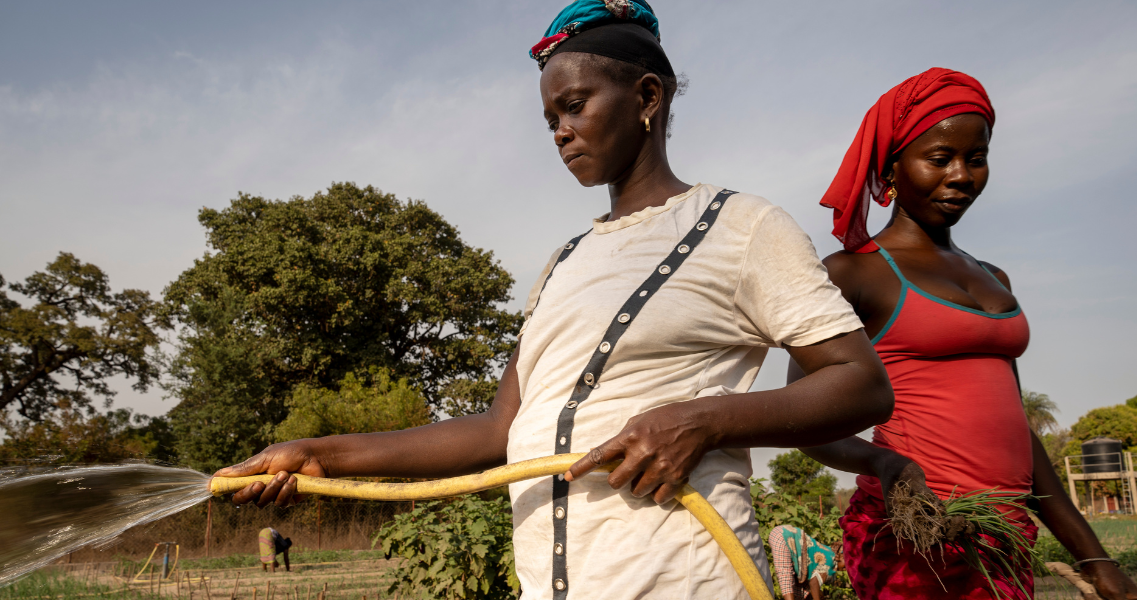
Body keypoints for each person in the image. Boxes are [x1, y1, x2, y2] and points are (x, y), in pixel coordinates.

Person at [215, 2, 896, 598]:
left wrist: (702, 420)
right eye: (549, 118)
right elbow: (494, 433)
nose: (560, 132)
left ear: (647, 96)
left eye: (575, 105)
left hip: (685, 579)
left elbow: (860, 385)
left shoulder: (744, 227)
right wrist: (317, 455)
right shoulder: (564, 262)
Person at [791, 67, 1137, 600]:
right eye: (939, 158)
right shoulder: (854, 273)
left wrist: (1096, 560)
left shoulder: (994, 277)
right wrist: (882, 462)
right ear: (891, 167)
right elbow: (804, 416)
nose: (961, 175)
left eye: (975, 158)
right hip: (918, 537)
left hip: (1005, 537)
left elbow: (1020, 437)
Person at [766, 525, 839, 600]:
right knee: (785, 576)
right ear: (841, 556)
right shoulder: (831, 560)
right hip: (784, 536)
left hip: (781, 533)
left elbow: (811, 582)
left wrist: (818, 592)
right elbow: (814, 583)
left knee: (800, 590)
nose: (845, 569)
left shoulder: (829, 553)